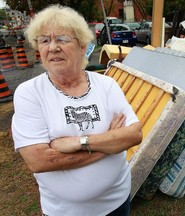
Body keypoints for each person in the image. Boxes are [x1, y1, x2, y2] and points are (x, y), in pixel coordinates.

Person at [11, 4, 142, 216]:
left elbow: (134, 134)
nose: (52, 47)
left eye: (62, 39)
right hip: (66, 211)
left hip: (117, 202)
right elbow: (39, 160)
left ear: (82, 46)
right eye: (44, 40)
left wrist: (78, 143)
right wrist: (110, 142)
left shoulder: (106, 85)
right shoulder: (30, 93)